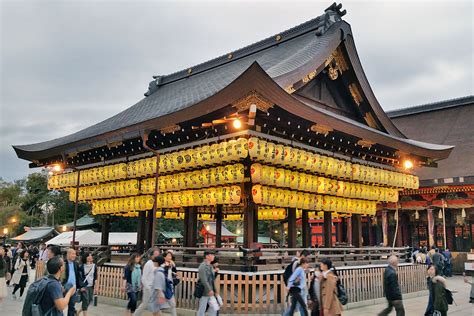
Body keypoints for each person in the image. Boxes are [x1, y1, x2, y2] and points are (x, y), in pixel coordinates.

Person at [135, 247, 160, 315]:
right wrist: (147, 287)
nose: (157, 255)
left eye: (158, 254)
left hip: (155, 288)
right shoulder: (148, 264)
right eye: (156, 254)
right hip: (148, 288)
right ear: (151, 255)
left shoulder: (158, 264)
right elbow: (144, 278)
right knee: (144, 304)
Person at [62, 248, 84, 316]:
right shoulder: (63, 263)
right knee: (61, 305)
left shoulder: (76, 264)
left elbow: (78, 276)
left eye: (75, 254)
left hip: (73, 288)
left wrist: (80, 286)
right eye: (73, 254)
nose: (75, 255)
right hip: (64, 287)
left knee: (71, 306)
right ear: (68, 254)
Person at [197, 251, 218, 316]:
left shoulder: (210, 266)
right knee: (202, 309)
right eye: (212, 255)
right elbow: (203, 280)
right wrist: (209, 290)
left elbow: (212, 279)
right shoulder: (202, 266)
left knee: (214, 308)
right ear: (207, 256)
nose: (213, 256)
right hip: (204, 291)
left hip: (211, 291)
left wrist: (215, 290)